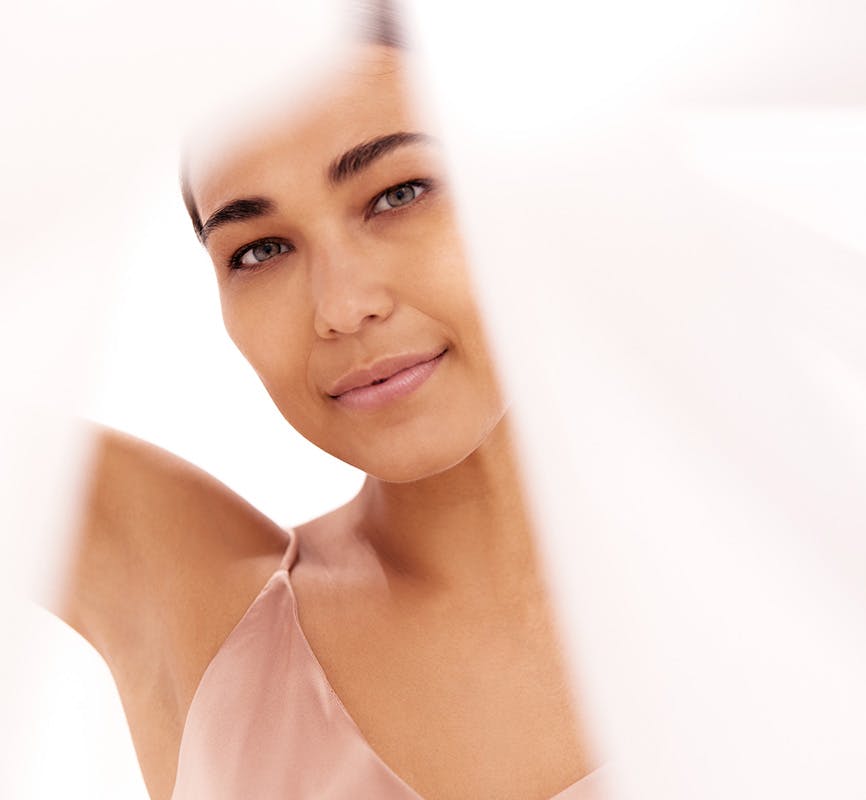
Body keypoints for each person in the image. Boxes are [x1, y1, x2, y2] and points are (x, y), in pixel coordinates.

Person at [47, 10, 611, 800]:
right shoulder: (198, 603)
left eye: (399, 192)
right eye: (259, 250)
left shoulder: (798, 539)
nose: (341, 306)